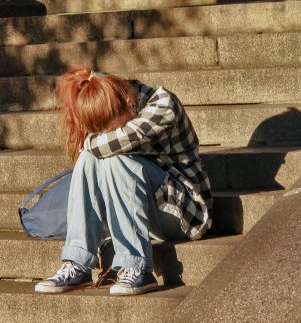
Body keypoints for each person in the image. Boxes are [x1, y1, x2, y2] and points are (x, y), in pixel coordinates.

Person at [34, 67, 213, 296]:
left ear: (130, 102)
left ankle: (136, 267)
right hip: (147, 212)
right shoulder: (119, 97)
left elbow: (104, 143)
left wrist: (90, 141)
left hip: (185, 213)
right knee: (93, 158)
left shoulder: (162, 105)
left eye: (114, 128)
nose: (111, 133)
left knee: (112, 156)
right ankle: (77, 262)